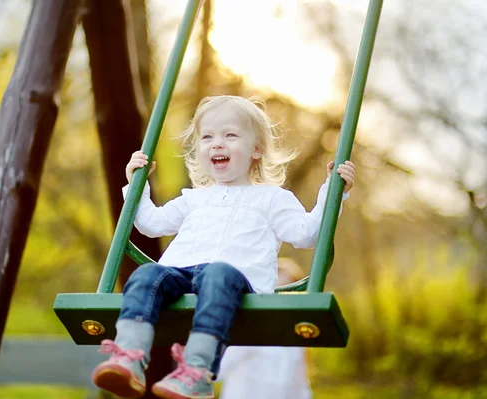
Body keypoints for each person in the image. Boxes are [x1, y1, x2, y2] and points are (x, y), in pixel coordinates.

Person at [91, 95, 355, 399]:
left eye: (230, 135)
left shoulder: (271, 198)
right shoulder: (193, 198)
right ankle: (129, 357)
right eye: (207, 137)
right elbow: (150, 223)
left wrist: (332, 192)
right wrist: (137, 185)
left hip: (235, 283)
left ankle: (197, 372)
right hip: (184, 278)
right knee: (148, 274)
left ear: (256, 149)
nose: (217, 144)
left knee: (217, 274)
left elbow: (308, 234)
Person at [217, 259, 313, 398]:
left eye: (288, 294)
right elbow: (217, 371)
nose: (280, 302)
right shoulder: (248, 330)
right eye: (276, 293)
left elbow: (300, 386)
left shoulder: (297, 338)